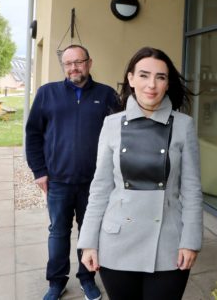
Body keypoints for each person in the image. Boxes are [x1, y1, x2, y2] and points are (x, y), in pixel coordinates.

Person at [77, 47, 203, 300]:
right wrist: (88, 241)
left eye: (161, 77)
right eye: (144, 75)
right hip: (117, 242)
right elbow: (100, 188)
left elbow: (191, 191)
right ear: (131, 79)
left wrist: (191, 240)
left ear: (168, 84)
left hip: (168, 244)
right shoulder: (112, 124)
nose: (152, 85)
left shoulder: (183, 125)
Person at [26, 44, 119, 300]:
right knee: (58, 232)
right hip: (58, 181)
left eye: (78, 62)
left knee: (89, 233)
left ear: (89, 63)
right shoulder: (47, 93)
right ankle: (56, 282)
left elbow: (119, 137)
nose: (73, 67)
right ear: (63, 66)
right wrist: (39, 171)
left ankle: (87, 279)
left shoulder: (107, 95)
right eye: (68, 63)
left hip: (95, 183)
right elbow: (33, 134)